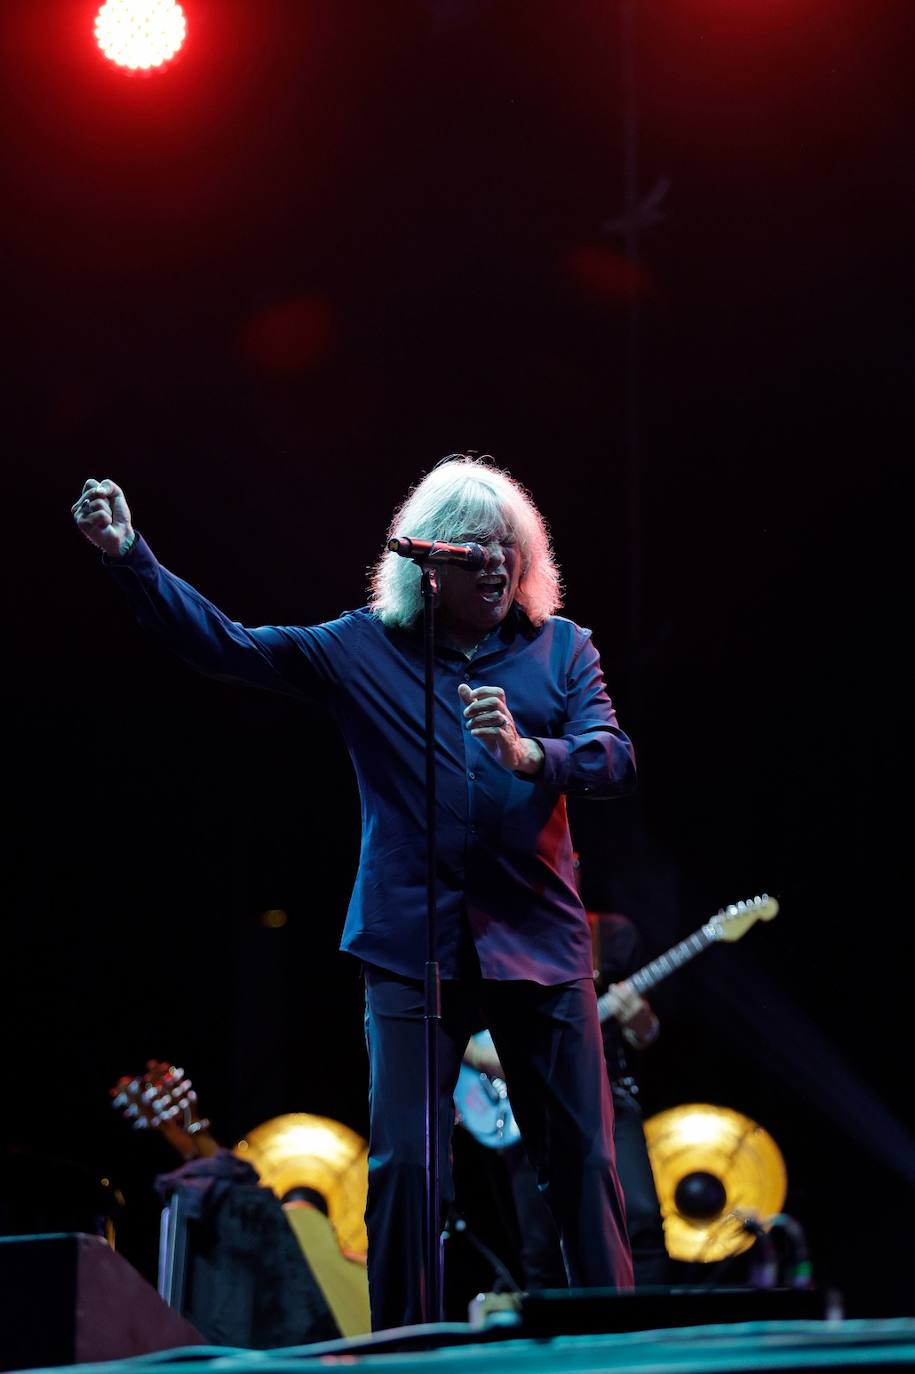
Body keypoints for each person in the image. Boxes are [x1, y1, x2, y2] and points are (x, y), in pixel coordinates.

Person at [71, 454, 637, 1330]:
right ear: (428, 562)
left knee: (583, 1165)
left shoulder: (562, 651)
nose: (495, 564)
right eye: (474, 549)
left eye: (508, 548)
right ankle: (404, 1348)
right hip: (411, 947)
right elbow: (227, 645)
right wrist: (130, 557)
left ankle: (616, 1348)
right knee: (407, 1169)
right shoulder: (362, 648)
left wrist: (532, 755)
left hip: (540, 941)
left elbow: (613, 755)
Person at [464, 907, 669, 1289]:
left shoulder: (610, 935)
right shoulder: (493, 933)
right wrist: (481, 1055)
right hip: (528, 1099)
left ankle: (647, 1333)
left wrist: (641, 1022)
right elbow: (440, 1012)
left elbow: (645, 1033)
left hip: (607, 1094)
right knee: (543, 1241)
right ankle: (557, 1342)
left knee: (638, 1217)